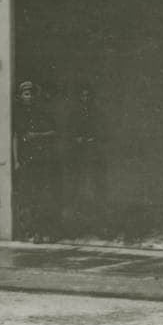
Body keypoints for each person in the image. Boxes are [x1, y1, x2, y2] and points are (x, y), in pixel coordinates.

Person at [13, 80, 62, 243]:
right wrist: (15, 161)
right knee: (29, 196)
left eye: (31, 94)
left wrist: (38, 136)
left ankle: (47, 230)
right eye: (26, 94)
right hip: (26, 159)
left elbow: (54, 132)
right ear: (20, 96)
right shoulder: (18, 114)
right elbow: (15, 137)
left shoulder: (42, 112)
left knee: (45, 195)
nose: (29, 97)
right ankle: (33, 232)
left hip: (43, 159)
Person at [67, 83, 108, 235]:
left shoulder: (98, 113)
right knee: (78, 188)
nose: (85, 98)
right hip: (78, 155)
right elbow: (68, 132)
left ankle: (100, 226)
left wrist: (94, 139)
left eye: (88, 96)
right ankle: (79, 227)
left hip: (95, 154)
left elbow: (105, 133)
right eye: (83, 96)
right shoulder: (74, 114)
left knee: (98, 188)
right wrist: (76, 139)